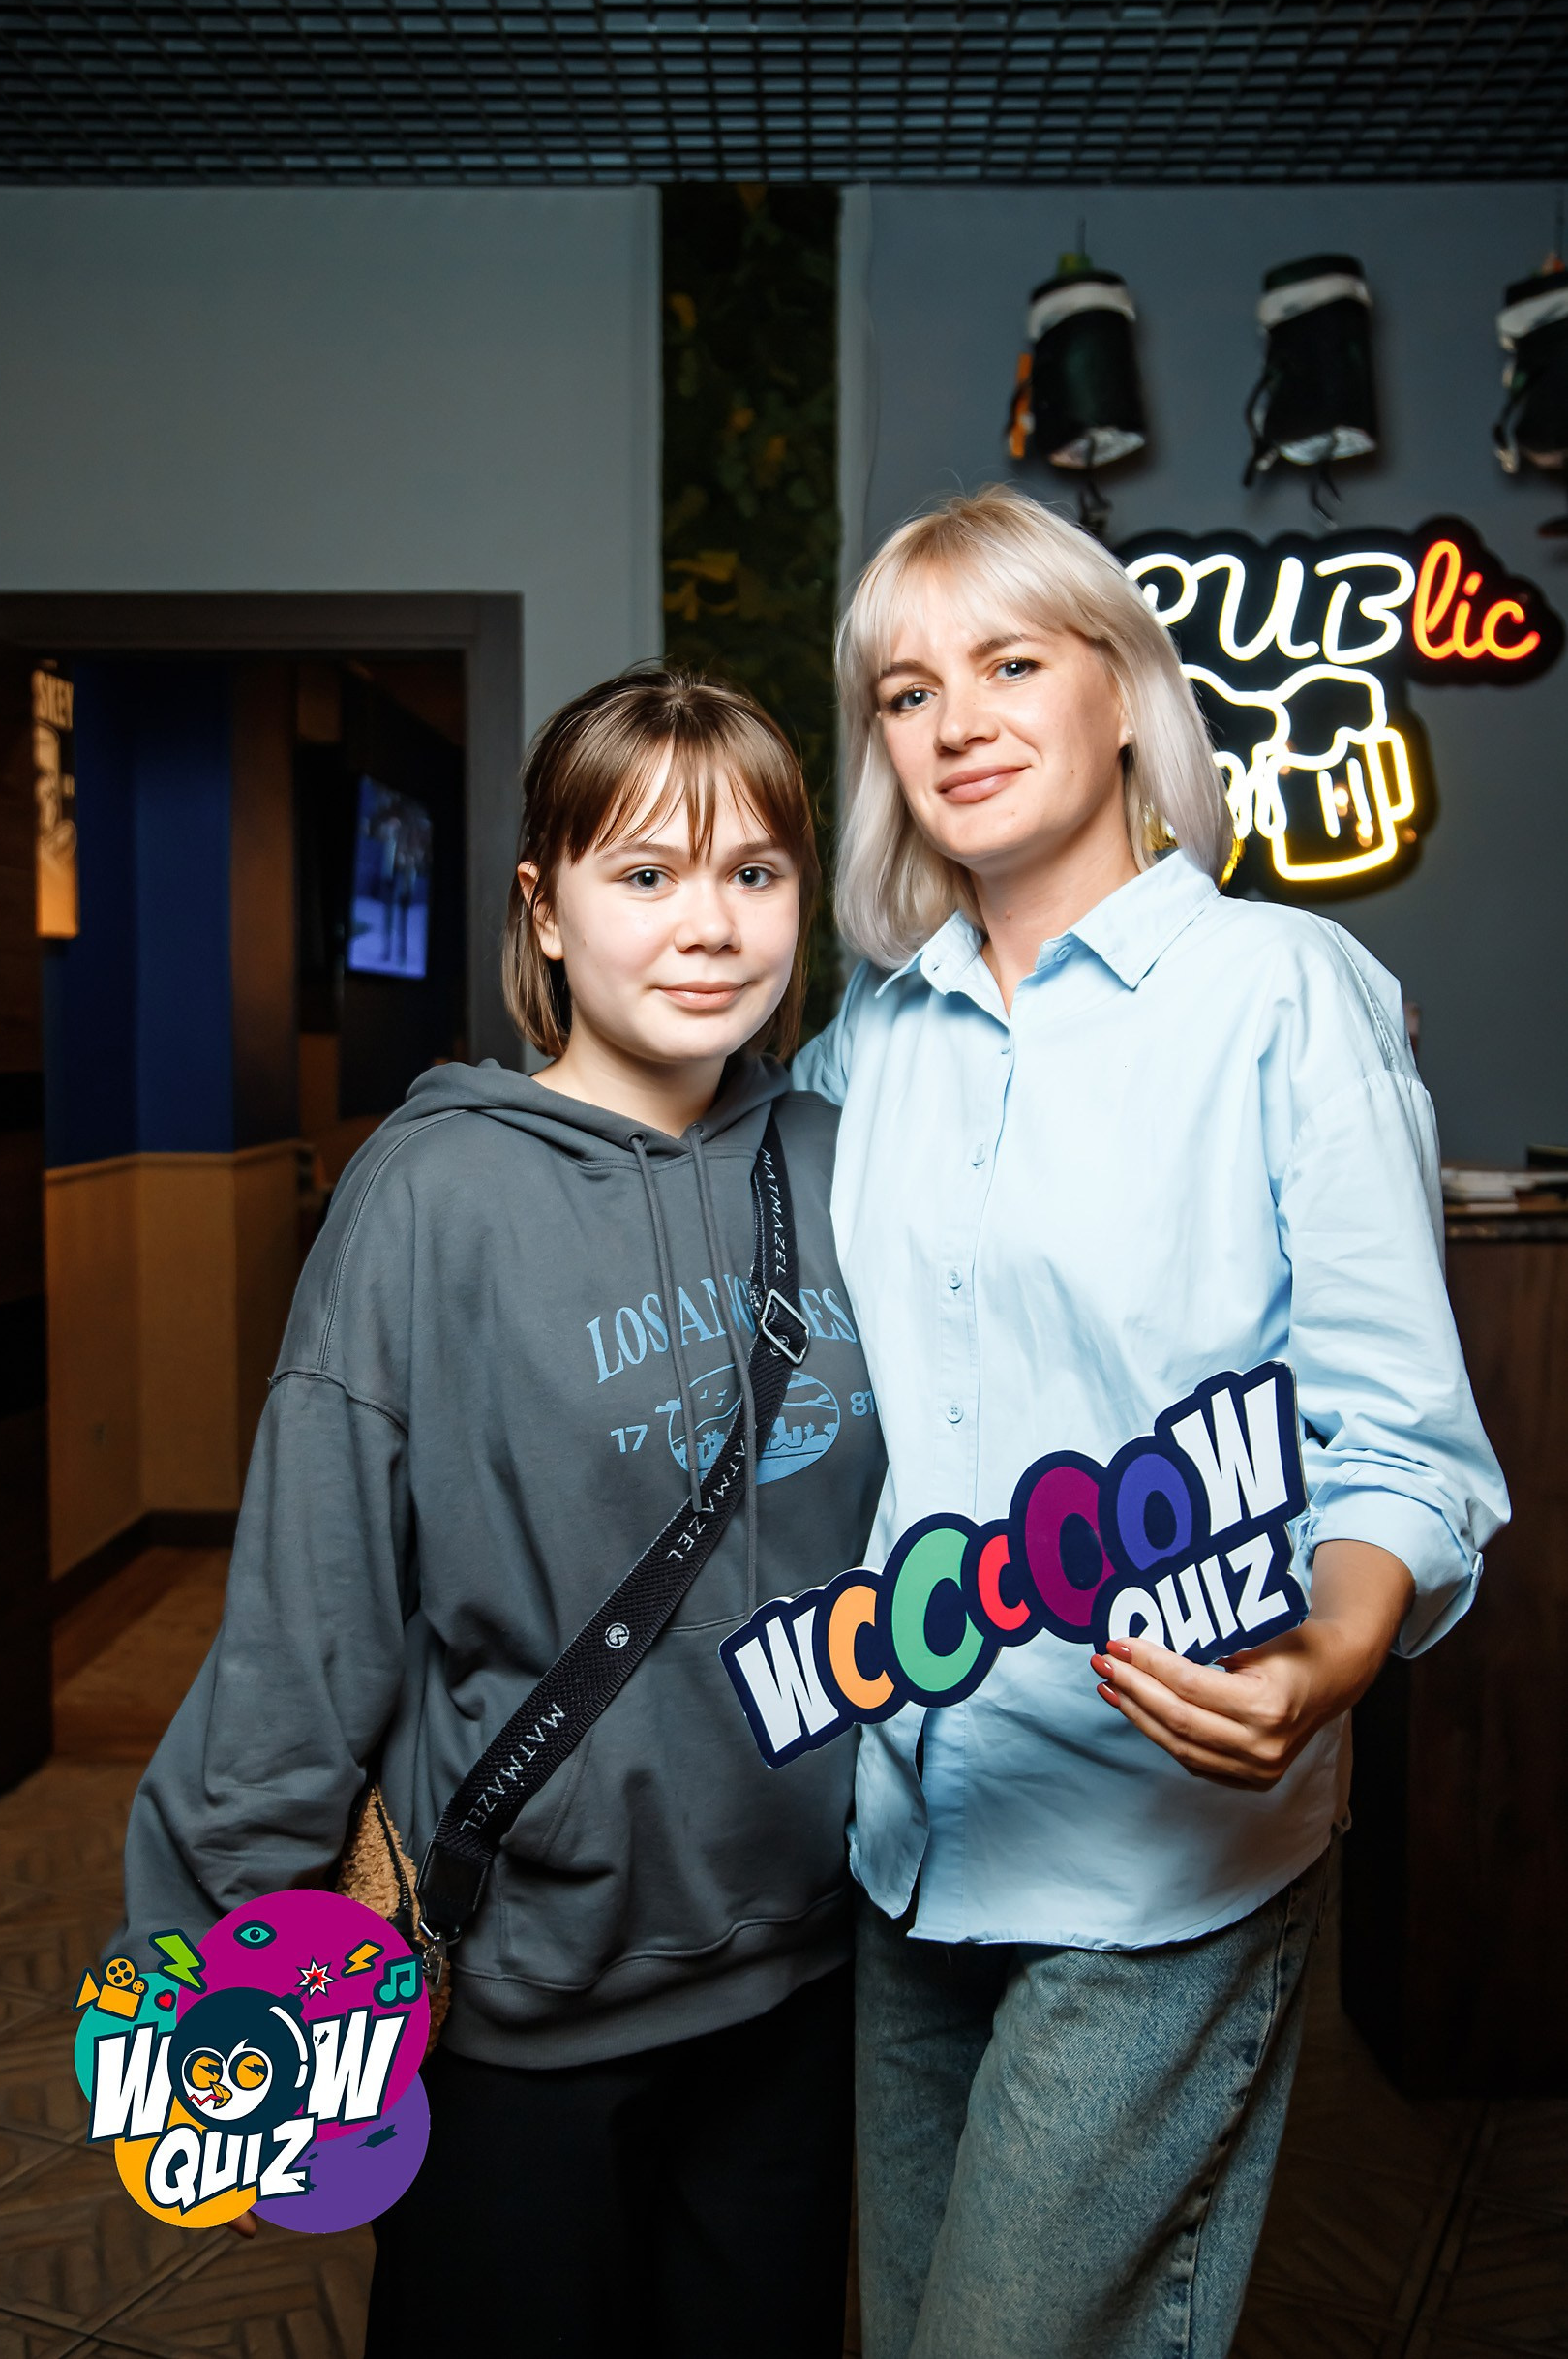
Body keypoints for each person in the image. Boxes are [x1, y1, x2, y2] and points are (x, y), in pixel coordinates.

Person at [794, 488, 1507, 2359]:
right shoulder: (872, 1043)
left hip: (1159, 1846)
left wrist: (1329, 1659)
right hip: (906, 1824)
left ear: (1123, 693)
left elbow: (1398, 1432)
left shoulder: (1281, 994)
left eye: (1011, 663)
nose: (956, 721)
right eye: (906, 691)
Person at [119, 668, 886, 2359]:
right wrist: (228, 1961)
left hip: (806, 1975)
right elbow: (309, 1606)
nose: (709, 924)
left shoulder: (850, 1164)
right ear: (543, 907)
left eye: (754, 872)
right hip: (518, 2003)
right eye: (646, 873)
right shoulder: (431, 1192)